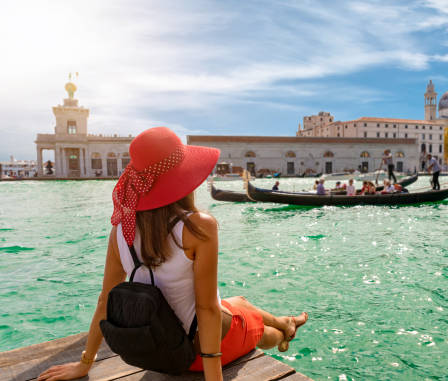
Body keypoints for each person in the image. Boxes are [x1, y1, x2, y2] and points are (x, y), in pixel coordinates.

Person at [37, 127, 307, 381]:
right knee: (258, 327)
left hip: (156, 348)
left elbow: (104, 300)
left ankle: (286, 321)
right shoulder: (198, 226)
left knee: (239, 301)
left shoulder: (120, 230)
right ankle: (283, 332)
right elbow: (207, 310)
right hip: (194, 354)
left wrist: (85, 363)